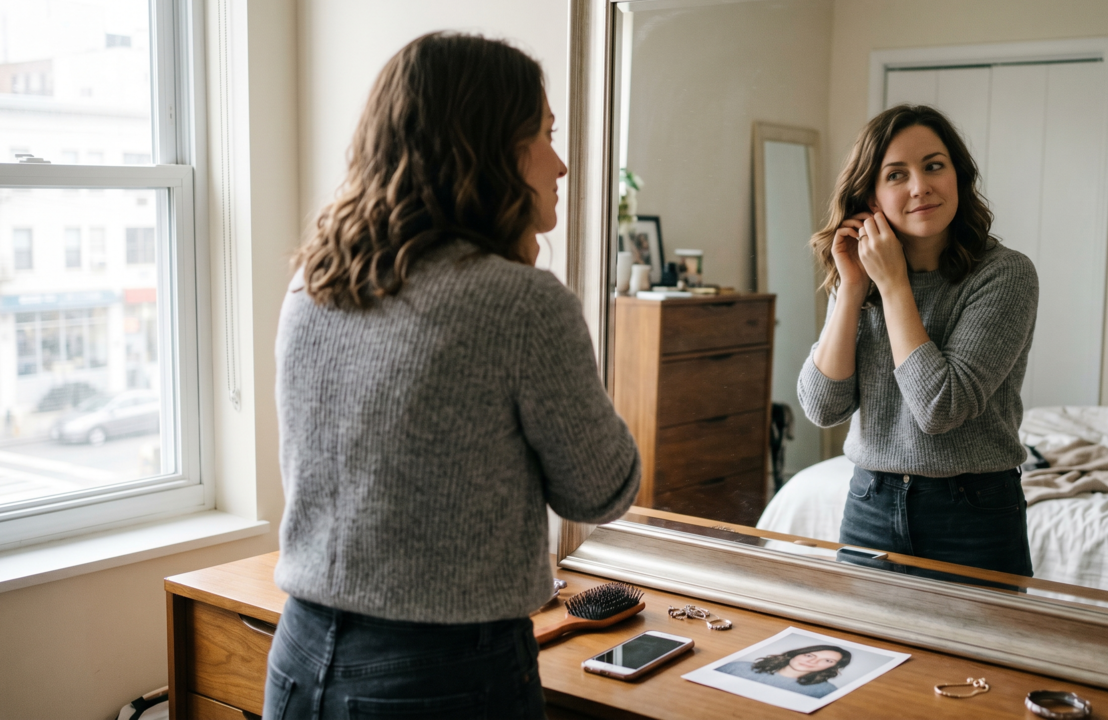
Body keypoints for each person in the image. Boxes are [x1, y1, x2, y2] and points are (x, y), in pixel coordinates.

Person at [264, 33, 641, 720]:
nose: (560, 165)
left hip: (300, 655)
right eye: (546, 136)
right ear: (491, 148)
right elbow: (601, 490)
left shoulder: (314, 283)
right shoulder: (521, 304)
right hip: (441, 677)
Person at [798, 104, 1038, 577]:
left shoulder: (1005, 274)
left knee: (976, 655)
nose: (919, 187)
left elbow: (940, 408)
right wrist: (850, 291)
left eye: (934, 166)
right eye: (896, 174)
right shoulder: (859, 274)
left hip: (974, 515)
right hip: (869, 503)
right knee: (866, 651)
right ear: (871, 197)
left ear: (958, 176)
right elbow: (823, 408)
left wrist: (893, 287)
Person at [716, 645, 852, 698]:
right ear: (795, 654)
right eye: (809, 655)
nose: (812, 662)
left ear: (833, 667)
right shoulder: (739, 667)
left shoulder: (826, 691)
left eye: (827, 661)